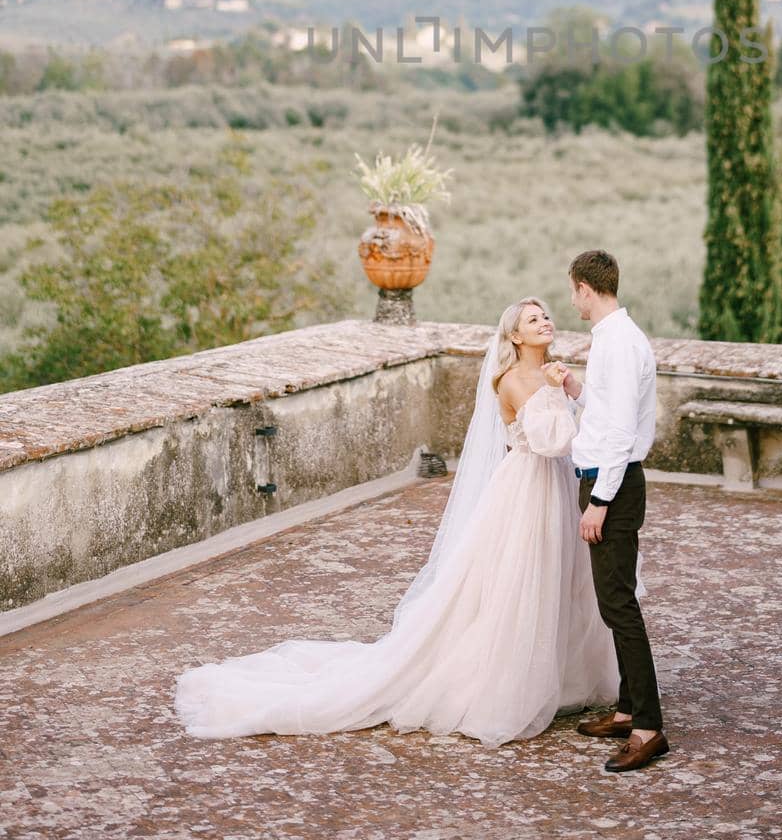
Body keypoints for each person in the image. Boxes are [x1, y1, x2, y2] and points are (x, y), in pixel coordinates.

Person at [172, 296, 622, 747]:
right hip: (529, 488)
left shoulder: (552, 373)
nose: (545, 322)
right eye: (532, 319)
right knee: (525, 579)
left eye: (545, 315)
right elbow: (551, 442)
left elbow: (577, 432)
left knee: (564, 576)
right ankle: (508, 682)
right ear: (515, 336)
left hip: (559, 486)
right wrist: (561, 391)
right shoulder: (512, 381)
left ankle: (562, 677)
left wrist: (568, 389)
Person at [564, 249, 669, 772]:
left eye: (572, 290)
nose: (572, 300)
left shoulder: (622, 342)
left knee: (619, 606)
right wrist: (575, 390)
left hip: (616, 487)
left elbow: (623, 432)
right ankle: (628, 710)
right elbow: (607, 414)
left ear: (585, 287)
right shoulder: (608, 338)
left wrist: (599, 503)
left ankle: (649, 727)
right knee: (614, 602)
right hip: (608, 480)